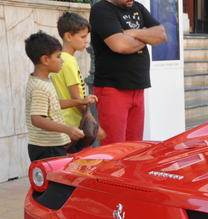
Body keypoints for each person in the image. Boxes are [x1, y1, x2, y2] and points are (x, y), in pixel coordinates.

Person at [89, 0, 166, 145]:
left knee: (134, 148)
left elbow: (161, 35)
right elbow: (120, 45)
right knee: (115, 149)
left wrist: (133, 33)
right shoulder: (101, 9)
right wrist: (146, 37)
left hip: (138, 88)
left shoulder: (137, 6)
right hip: (113, 89)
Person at [23, 31, 94, 162]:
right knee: (52, 182)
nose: (62, 61)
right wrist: (68, 129)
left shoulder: (44, 80)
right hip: (46, 148)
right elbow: (37, 119)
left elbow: (54, 104)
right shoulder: (39, 86)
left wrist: (80, 101)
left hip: (52, 145)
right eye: (58, 56)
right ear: (45, 59)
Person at [51, 12, 105, 147]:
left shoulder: (60, 59)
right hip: (71, 126)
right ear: (68, 36)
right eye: (82, 36)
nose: (86, 40)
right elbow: (78, 100)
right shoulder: (68, 62)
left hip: (64, 124)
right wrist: (94, 125)